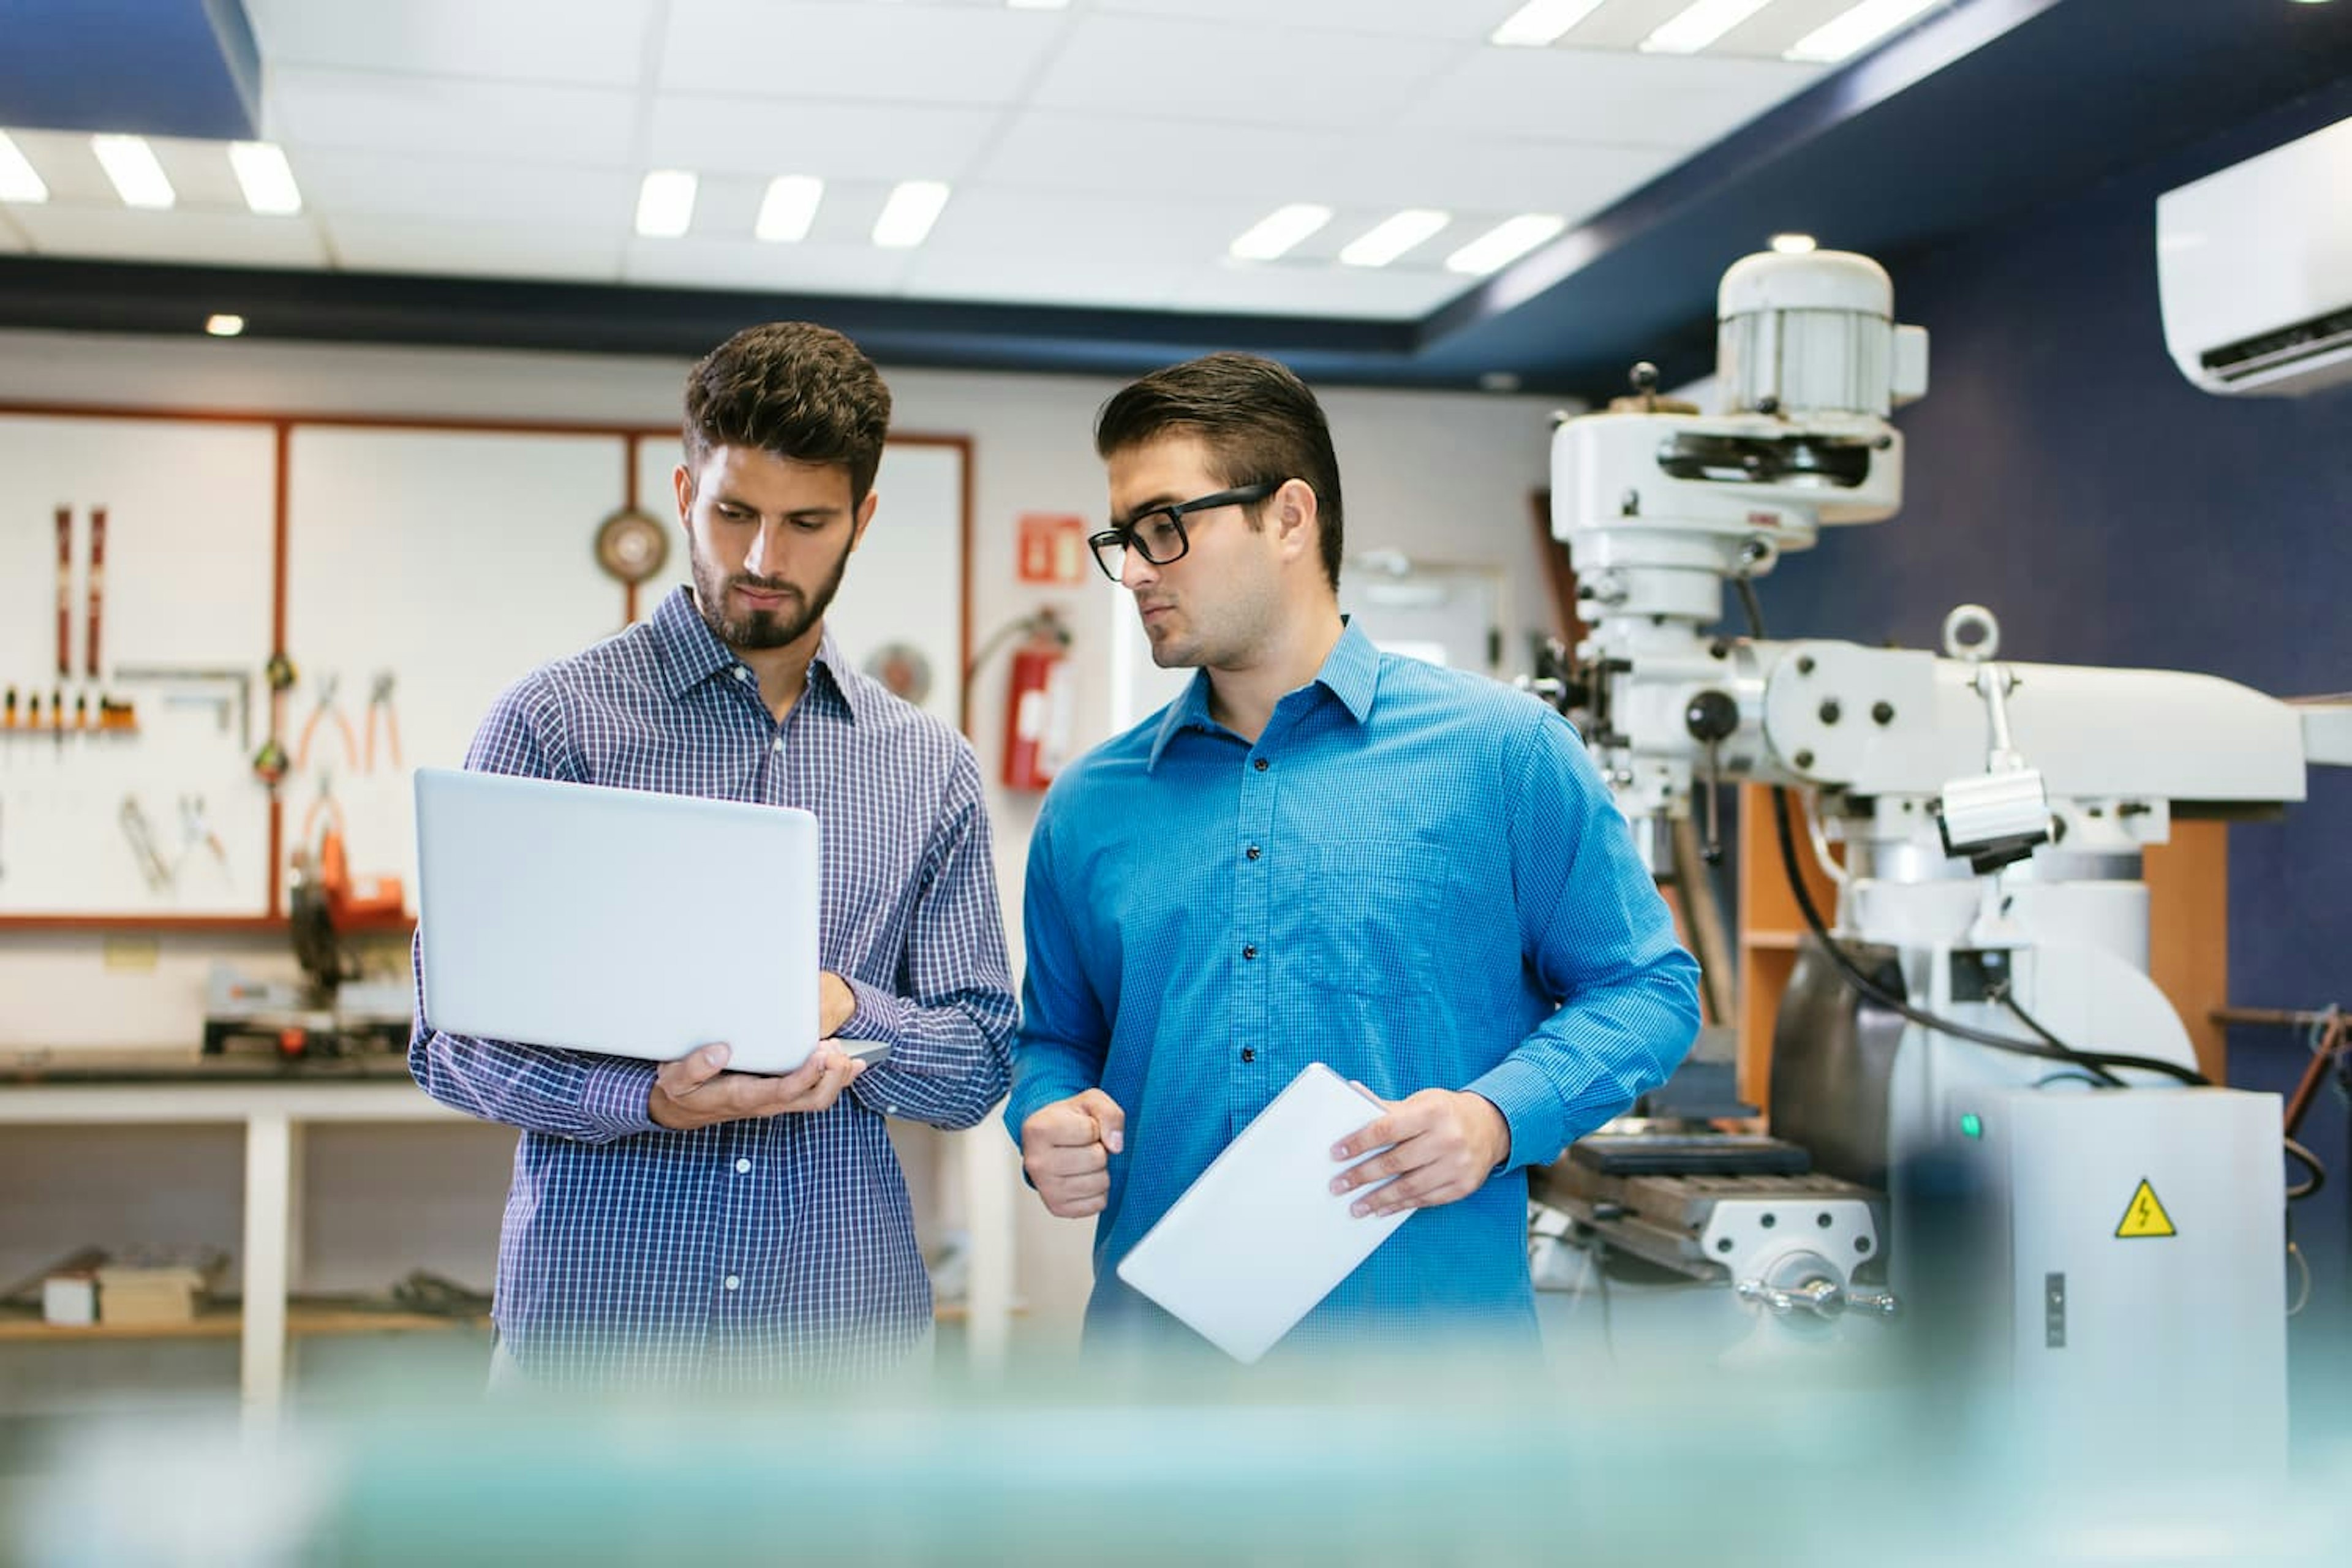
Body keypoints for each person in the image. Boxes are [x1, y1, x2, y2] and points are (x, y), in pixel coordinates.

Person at [1006, 352, 1700, 1357]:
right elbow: (1054, 1042)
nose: (1139, 570)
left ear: (1290, 517)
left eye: (1166, 527)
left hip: (1432, 1389)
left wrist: (1496, 1118)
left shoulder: (1502, 755)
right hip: (1160, 1389)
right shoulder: (1092, 807)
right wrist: (1045, 1121)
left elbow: (1648, 990)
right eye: (1124, 537)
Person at [410, 322, 1015, 1390]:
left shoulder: (930, 767)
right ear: (685, 491)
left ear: (862, 520)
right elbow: (448, 1040)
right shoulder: (555, 727)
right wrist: (642, 1100)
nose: (762, 559)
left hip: (842, 1344)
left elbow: (978, 1062)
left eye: (806, 522)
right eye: (734, 512)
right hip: (595, 1341)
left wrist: (841, 1005)